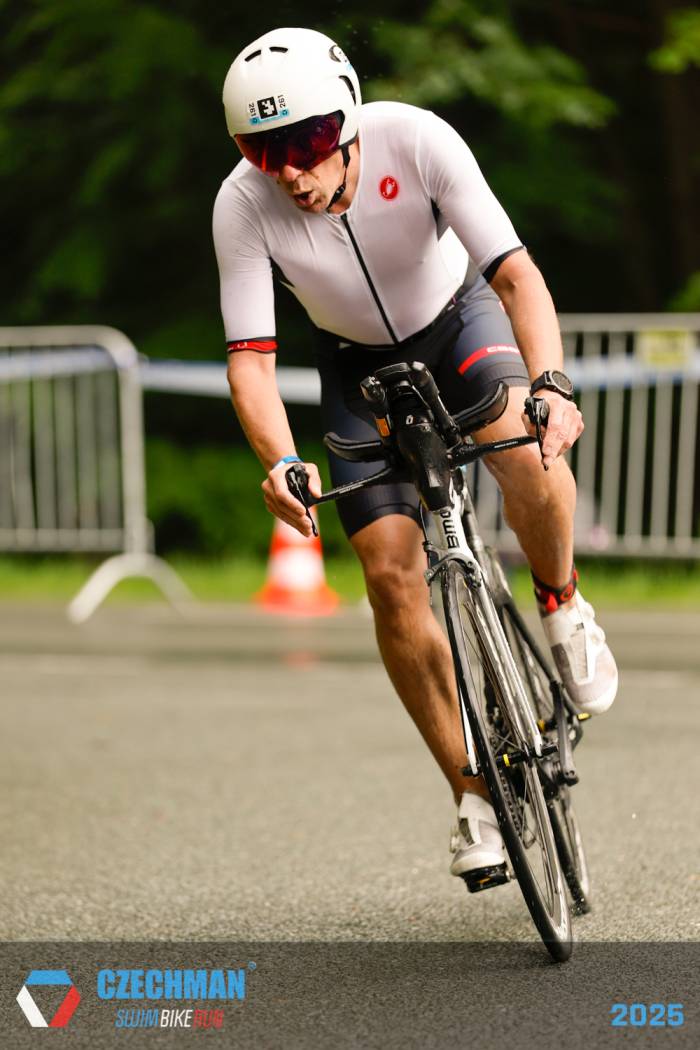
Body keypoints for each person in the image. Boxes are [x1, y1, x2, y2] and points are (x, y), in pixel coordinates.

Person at [214, 27, 618, 888]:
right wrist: (281, 460)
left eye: (306, 141)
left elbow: (516, 276)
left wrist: (552, 383)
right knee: (389, 574)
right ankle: (473, 794)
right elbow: (249, 360)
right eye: (262, 149)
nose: (289, 170)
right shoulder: (242, 205)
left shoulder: (419, 139)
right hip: (353, 363)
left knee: (525, 448)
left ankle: (561, 601)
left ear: (348, 120)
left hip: (457, 321)